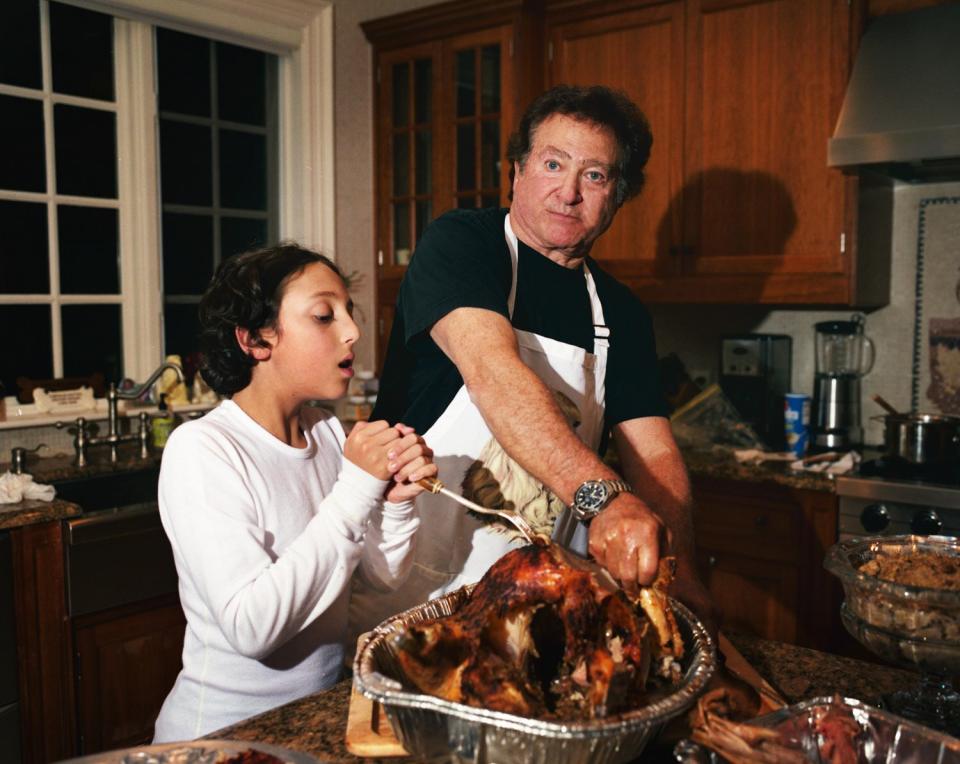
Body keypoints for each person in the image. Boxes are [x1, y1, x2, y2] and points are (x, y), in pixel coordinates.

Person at [351, 84, 714, 637]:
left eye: (595, 176)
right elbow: (493, 376)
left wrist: (681, 566)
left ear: (617, 196)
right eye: (552, 163)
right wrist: (608, 500)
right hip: (419, 587)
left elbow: (654, 452)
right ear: (517, 171)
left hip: (537, 597)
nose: (568, 192)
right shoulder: (462, 245)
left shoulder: (622, 311)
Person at [153, 243, 436, 742]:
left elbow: (375, 583)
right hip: (222, 738)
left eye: (349, 312)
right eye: (324, 316)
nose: (352, 331)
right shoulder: (203, 450)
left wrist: (394, 506)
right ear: (256, 340)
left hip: (313, 721)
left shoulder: (326, 433)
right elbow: (251, 628)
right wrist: (355, 490)